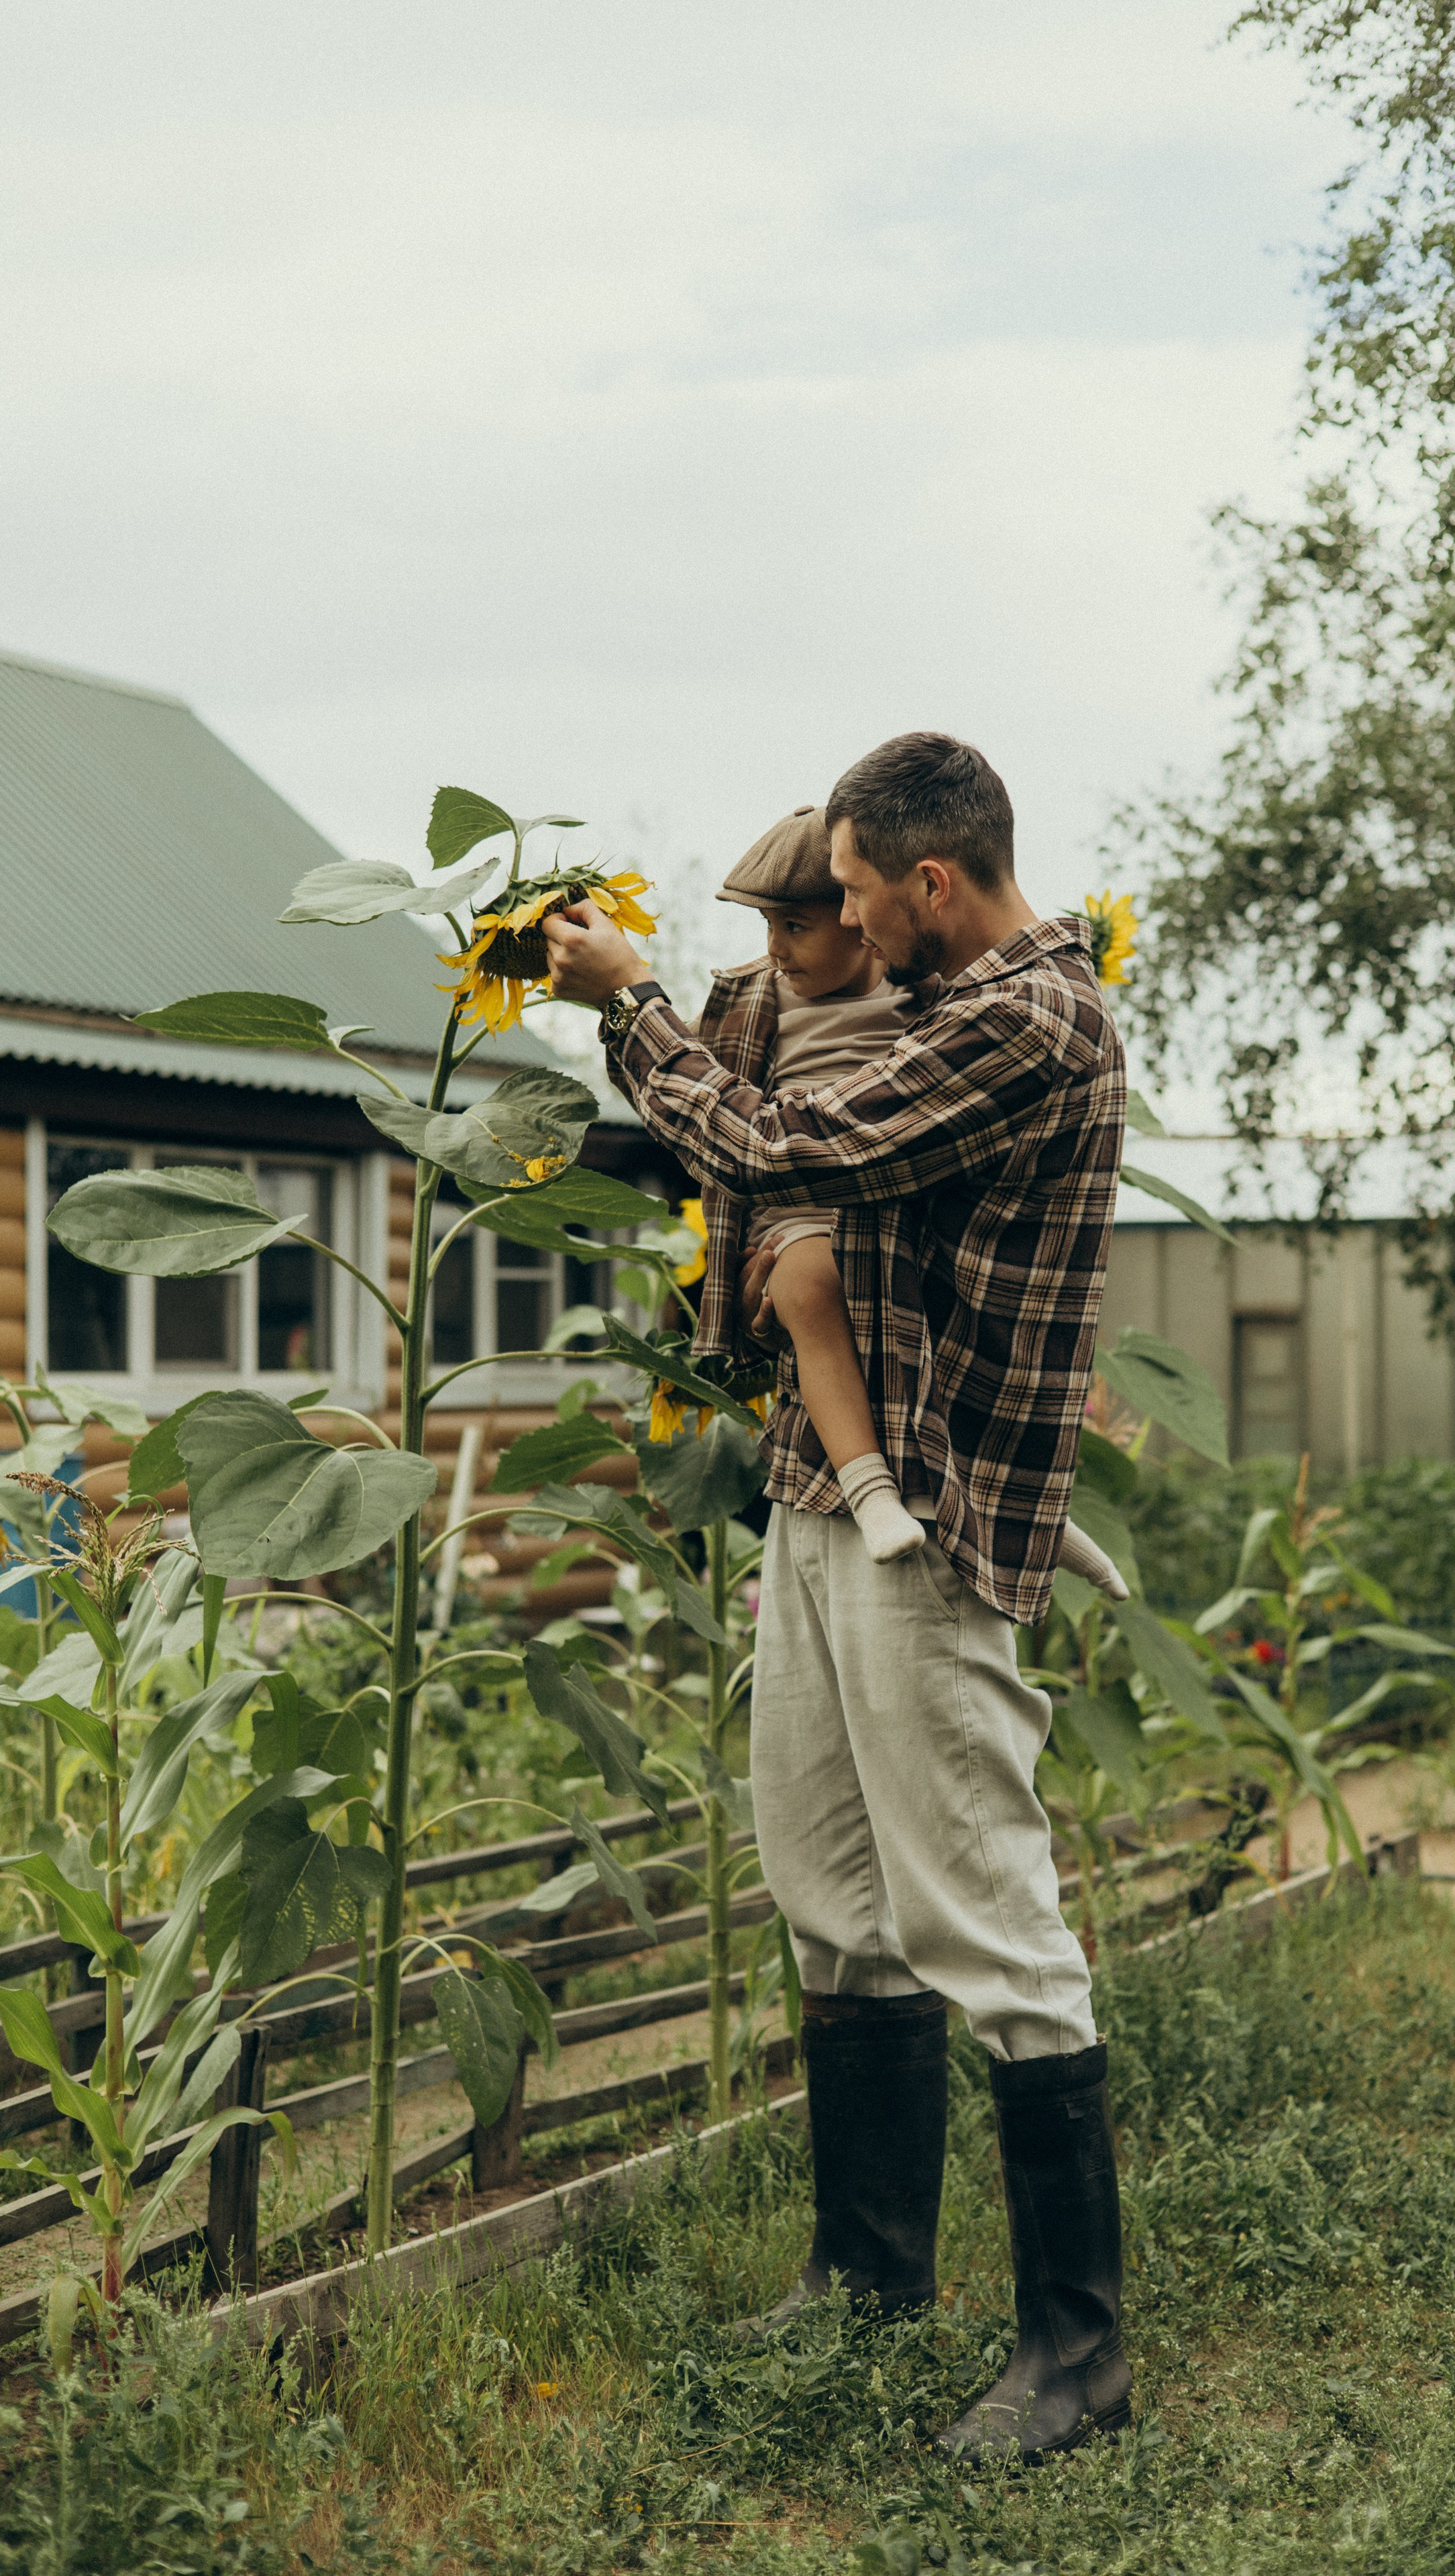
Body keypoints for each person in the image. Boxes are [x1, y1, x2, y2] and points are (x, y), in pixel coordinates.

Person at [543, 731, 1132, 2463]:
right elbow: (787, 1043)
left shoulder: (1030, 1025)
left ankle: (1077, 2358)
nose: (852, 929)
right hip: (821, 1495)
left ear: (936, 887)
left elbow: (790, 1138)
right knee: (828, 1885)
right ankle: (871, 2270)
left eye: (868, 899)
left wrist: (633, 1002)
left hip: (934, 1522)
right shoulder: (946, 1005)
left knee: (988, 1917)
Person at [688, 801, 1131, 1594]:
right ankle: (872, 1487)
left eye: (844, 903)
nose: (778, 949)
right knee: (811, 1286)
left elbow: (777, 1134)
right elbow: (716, 1110)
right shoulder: (755, 1002)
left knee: (912, 1314)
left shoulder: (962, 1006)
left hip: (858, 1195)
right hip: (798, 1204)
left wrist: (626, 1005)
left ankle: (1019, 1512)